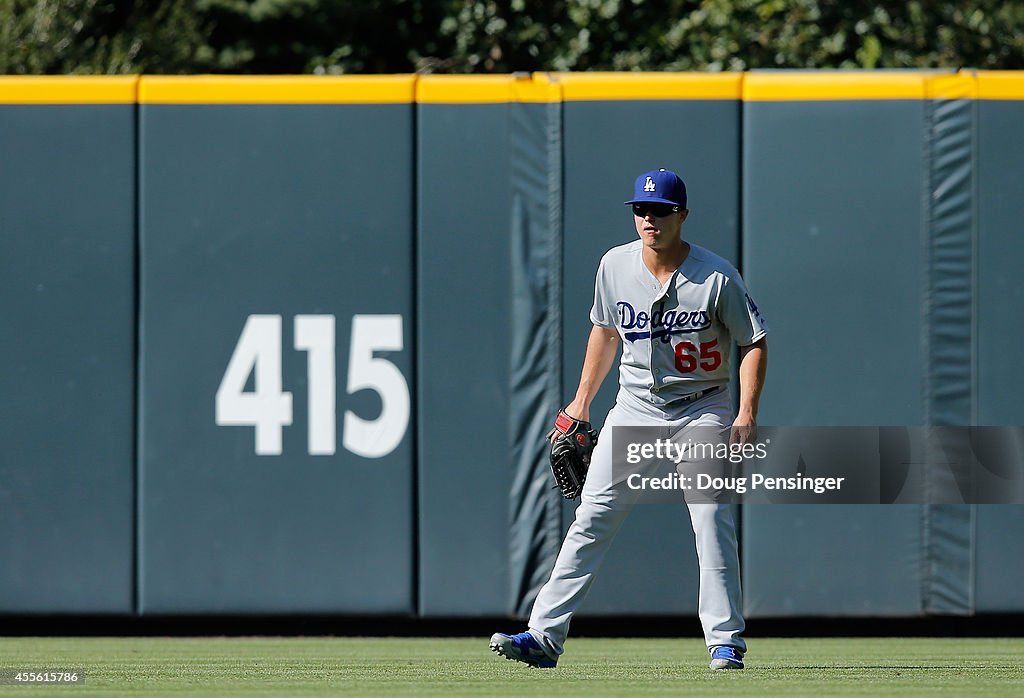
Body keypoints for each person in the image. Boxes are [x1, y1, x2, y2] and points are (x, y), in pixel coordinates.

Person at [489, 168, 768, 671]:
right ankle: (543, 636)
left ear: (682, 215)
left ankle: (725, 642)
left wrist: (746, 411)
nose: (649, 218)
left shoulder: (716, 276)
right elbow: (604, 332)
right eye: (641, 210)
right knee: (592, 517)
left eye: (660, 210)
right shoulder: (614, 266)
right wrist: (580, 402)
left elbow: (753, 342)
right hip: (636, 406)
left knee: (709, 519)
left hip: (702, 406)